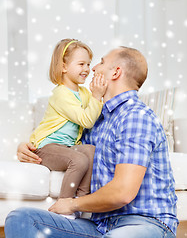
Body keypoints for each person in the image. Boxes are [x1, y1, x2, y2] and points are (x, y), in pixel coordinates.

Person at [5, 46, 178, 238]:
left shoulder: (136, 116)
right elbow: (65, 147)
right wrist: (28, 146)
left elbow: (123, 192)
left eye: (101, 62)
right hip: (100, 226)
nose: (93, 68)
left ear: (116, 72)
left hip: (144, 222)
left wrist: (71, 203)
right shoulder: (96, 121)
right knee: (21, 219)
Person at [18, 38, 107, 215]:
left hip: (66, 147)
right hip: (45, 147)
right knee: (79, 160)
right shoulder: (60, 94)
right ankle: (64, 207)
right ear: (64, 67)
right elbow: (87, 120)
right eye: (81, 64)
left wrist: (100, 94)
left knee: (90, 151)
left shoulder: (83, 92)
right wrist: (97, 96)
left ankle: (82, 204)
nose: (87, 69)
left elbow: (97, 111)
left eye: (88, 64)